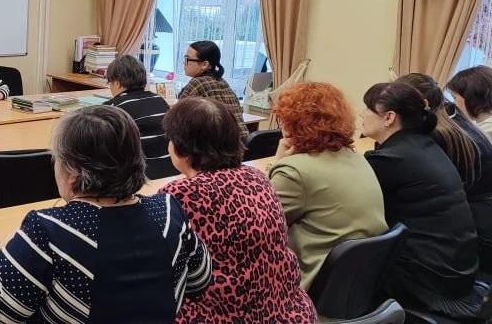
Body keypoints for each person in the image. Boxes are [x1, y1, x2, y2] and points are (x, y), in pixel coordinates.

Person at [0, 106, 211, 323]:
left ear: (73, 173)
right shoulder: (168, 211)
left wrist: (3, 247)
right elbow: (199, 281)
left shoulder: (48, 231)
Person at [160, 97, 316, 323]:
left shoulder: (177, 195)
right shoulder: (257, 178)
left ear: (181, 147)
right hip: (289, 313)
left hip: (222, 317)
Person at [361, 82, 489, 319]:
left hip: (432, 278)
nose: (361, 114)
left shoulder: (393, 158)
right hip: (457, 267)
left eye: (367, 108)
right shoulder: (423, 144)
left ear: (389, 117)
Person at [267, 82, 387, 290]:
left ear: (292, 124)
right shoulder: (356, 158)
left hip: (311, 283)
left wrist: (276, 163)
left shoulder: (294, 171)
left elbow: (256, 226)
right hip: (358, 283)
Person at [103, 55, 173, 179]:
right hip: (171, 171)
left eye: (110, 82)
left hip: (138, 177)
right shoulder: (159, 100)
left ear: (117, 82)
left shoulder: (113, 108)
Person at [177, 40, 249, 139]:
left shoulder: (198, 83)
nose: (184, 62)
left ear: (204, 65)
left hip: (221, 145)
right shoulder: (222, 82)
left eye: (187, 59)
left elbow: (177, 116)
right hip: (241, 143)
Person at [447, 65, 492, 142]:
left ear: (471, 97)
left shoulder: (484, 133)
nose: (454, 104)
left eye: (455, 98)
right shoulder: (483, 125)